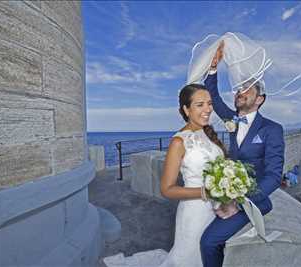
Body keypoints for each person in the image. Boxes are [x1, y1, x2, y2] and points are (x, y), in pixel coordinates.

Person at [104, 84, 227, 267]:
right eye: (200, 104)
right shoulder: (179, 142)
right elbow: (167, 189)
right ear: (186, 109)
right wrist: (206, 192)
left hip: (218, 209)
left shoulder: (207, 134)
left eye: (209, 103)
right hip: (195, 213)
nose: (208, 109)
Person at [200, 42, 285, 267]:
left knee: (208, 242)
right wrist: (213, 68)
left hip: (253, 200)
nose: (240, 91)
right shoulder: (232, 119)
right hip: (231, 191)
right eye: (239, 88)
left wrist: (239, 203)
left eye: (247, 89)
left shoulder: (272, 129)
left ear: (260, 99)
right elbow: (214, 98)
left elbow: (275, 176)